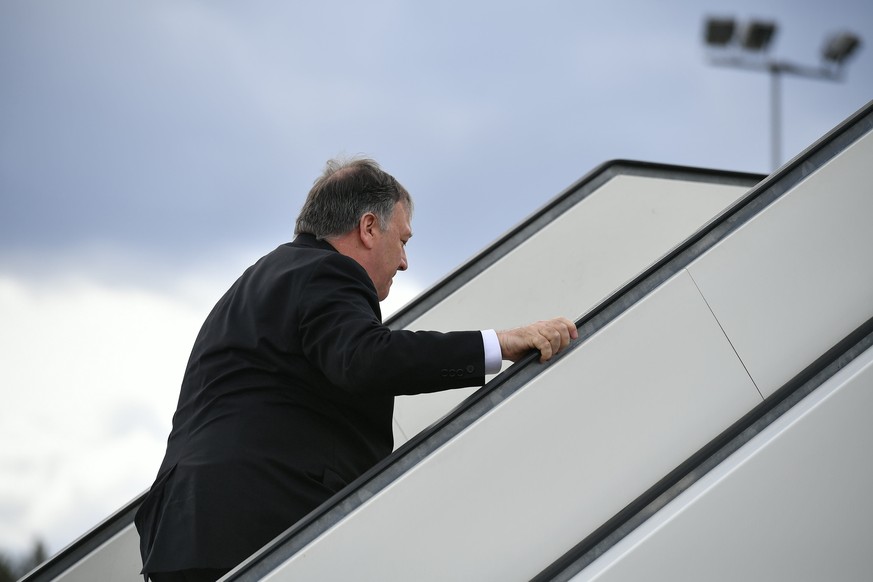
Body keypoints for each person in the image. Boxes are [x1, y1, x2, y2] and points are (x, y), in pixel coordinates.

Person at [134, 157, 577, 581]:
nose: (404, 262)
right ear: (368, 227)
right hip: (263, 521)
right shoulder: (328, 272)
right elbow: (365, 358)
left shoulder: (259, 282)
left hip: (180, 531)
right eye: (402, 240)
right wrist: (498, 344)